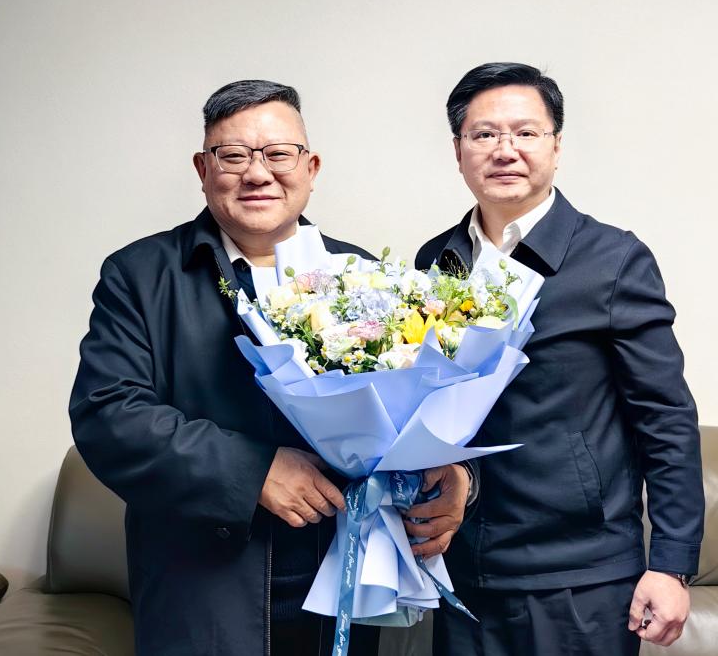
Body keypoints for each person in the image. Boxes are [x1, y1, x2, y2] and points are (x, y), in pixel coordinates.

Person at [69, 80, 468, 655]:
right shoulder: (140, 275)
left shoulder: (365, 276)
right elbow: (108, 416)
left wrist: (452, 475)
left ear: (311, 167)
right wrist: (253, 472)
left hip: (341, 580)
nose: (258, 174)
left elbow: (410, 410)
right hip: (203, 588)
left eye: (278, 154)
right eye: (234, 155)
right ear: (203, 168)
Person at [415, 62, 705, 655]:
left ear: (556, 146)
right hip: (464, 565)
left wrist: (671, 565)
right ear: (458, 150)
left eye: (526, 132)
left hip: (580, 573)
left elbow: (666, 418)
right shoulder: (436, 262)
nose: (506, 150)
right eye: (484, 134)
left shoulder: (613, 260)